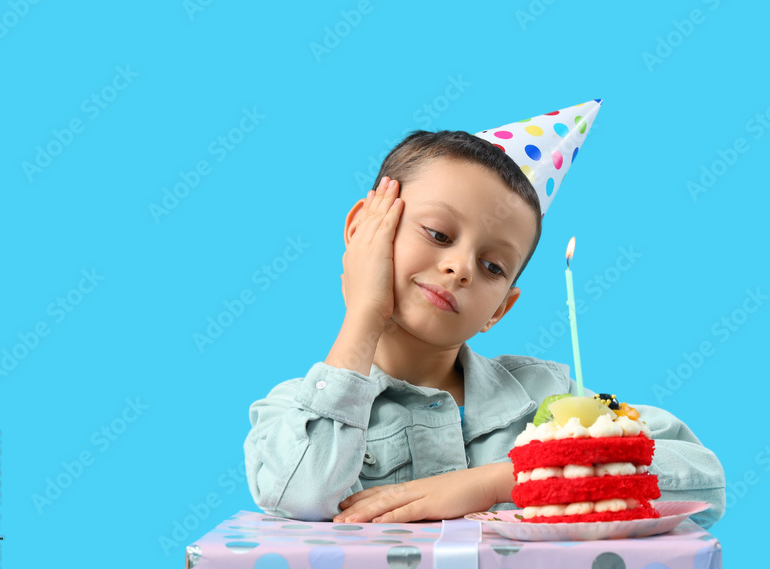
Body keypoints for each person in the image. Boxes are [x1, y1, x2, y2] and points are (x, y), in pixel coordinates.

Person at [243, 112, 726, 529]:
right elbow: (302, 494)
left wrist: (508, 478)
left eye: (493, 266)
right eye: (437, 233)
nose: (461, 268)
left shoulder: (545, 398)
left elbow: (704, 484)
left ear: (500, 308)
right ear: (363, 228)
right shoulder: (298, 409)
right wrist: (364, 314)